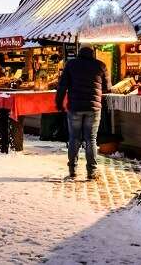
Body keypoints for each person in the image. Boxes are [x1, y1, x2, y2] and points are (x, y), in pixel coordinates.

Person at [56, 45, 111, 180]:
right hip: (93, 109)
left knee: (74, 138)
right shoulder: (100, 65)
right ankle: (91, 172)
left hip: (75, 107)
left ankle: (72, 170)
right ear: (93, 52)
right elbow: (107, 88)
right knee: (90, 139)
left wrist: (58, 103)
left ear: (79, 52)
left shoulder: (71, 64)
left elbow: (62, 85)